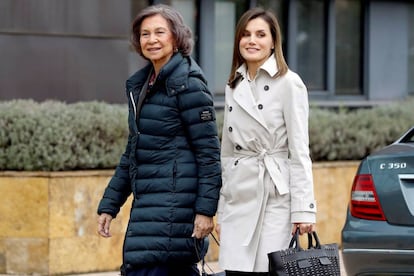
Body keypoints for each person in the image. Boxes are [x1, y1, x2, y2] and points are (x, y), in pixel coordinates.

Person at [96, 4, 222, 276]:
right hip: (149, 211)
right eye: (145, 34)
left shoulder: (189, 84)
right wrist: (110, 205)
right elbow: (133, 152)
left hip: (176, 215)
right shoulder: (142, 86)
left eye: (159, 32)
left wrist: (205, 211)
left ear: (176, 37)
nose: (151, 40)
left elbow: (209, 155)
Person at [216, 7, 317, 275]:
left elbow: (299, 151)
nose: (252, 40)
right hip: (240, 194)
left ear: (273, 41)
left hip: (275, 196)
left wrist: (304, 210)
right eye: (246, 34)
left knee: (267, 269)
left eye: (261, 34)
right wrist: (222, 208)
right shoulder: (233, 84)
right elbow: (227, 153)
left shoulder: (289, 83)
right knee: (235, 270)